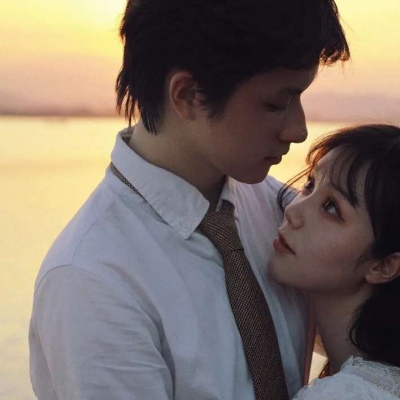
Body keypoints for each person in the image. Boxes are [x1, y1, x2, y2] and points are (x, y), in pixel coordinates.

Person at [29, 0, 350, 399]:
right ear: (187, 94)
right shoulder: (93, 280)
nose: (298, 130)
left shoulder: (287, 213)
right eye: (275, 103)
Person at [269, 124, 400, 399]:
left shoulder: (349, 393)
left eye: (331, 208)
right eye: (309, 185)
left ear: (383, 266)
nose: (293, 210)